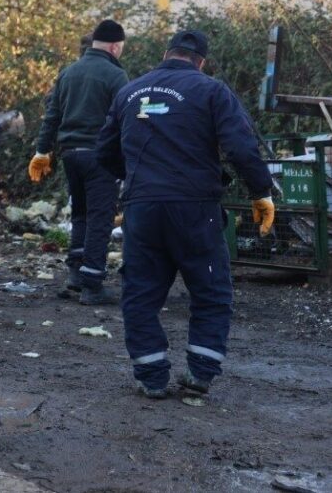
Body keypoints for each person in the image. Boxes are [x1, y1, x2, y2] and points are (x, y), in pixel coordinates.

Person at [96, 29, 273, 399]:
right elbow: (241, 147)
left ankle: (151, 376)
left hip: (142, 209)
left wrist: (136, 181)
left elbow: (105, 153)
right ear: (201, 62)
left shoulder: (130, 92)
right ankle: (200, 373)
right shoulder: (211, 91)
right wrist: (261, 192)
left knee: (141, 294)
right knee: (210, 291)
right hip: (195, 209)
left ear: (166, 53)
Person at [29, 19, 129, 305]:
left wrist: (41, 151)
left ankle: (75, 273)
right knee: (101, 218)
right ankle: (93, 283)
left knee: (81, 214)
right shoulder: (115, 75)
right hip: (100, 156)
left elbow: (52, 116)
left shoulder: (68, 73)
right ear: (114, 46)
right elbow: (125, 120)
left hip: (69, 155)